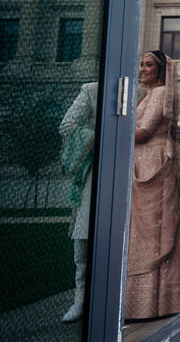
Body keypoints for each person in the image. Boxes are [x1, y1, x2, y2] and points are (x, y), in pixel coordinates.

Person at [125, 50, 180, 319]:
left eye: (148, 64)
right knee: (150, 230)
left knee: (154, 231)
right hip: (148, 163)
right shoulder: (151, 94)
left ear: (160, 71)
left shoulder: (159, 94)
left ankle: (156, 299)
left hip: (153, 164)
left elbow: (144, 132)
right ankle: (154, 299)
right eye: (140, 64)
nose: (141, 69)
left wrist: (111, 127)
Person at [59, 81, 98, 323]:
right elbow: (66, 125)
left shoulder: (147, 92)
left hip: (138, 176)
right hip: (95, 173)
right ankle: (80, 300)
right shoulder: (91, 90)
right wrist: (102, 137)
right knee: (83, 241)